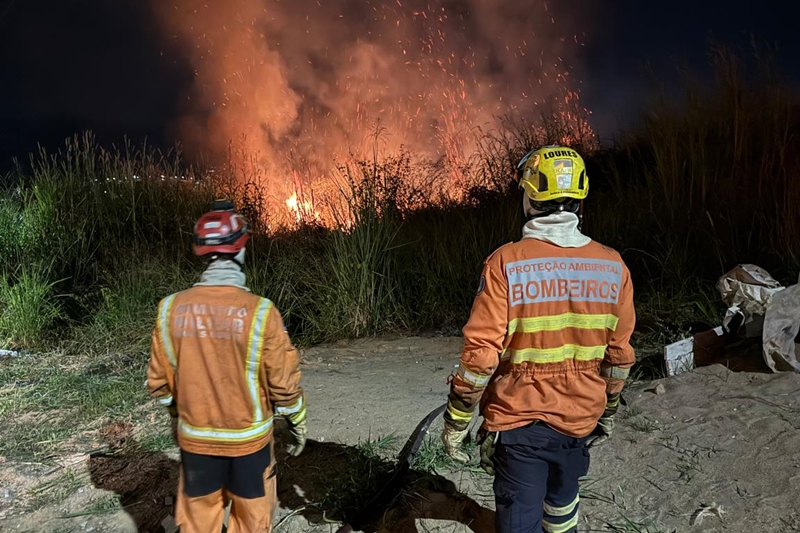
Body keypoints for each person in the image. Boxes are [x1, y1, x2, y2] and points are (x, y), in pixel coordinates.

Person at [440, 145, 636, 533]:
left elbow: (481, 357)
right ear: (580, 199)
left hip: (520, 425)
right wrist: (608, 411)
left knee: (519, 521)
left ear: (530, 199)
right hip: (580, 420)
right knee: (563, 510)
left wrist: (457, 421)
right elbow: (618, 356)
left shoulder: (506, 263)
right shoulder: (613, 265)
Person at [146, 199, 307, 533]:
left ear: (201, 253)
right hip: (250, 448)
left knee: (196, 523)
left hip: (196, 445)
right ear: (241, 250)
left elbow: (160, 385)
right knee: (251, 523)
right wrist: (297, 421)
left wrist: (178, 415)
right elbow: (283, 384)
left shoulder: (169, 309)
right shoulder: (261, 312)